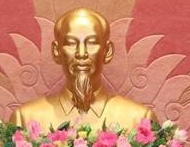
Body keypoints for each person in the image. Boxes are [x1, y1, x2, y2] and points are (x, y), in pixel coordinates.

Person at [11, 7, 155, 130]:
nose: (81, 53)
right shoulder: (25, 119)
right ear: (56, 51)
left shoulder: (140, 120)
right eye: (71, 43)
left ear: (107, 51)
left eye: (91, 43)